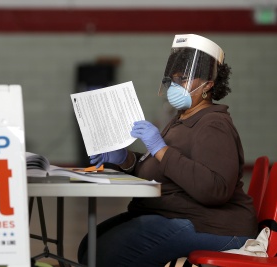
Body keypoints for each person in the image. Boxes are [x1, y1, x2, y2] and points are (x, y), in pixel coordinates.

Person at [77, 34, 257, 267]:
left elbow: (215, 190)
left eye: (183, 79)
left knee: (101, 255)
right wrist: (125, 159)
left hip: (214, 225)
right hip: (178, 215)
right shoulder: (181, 119)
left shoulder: (213, 124)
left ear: (209, 84)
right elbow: (160, 168)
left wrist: (161, 149)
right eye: (172, 80)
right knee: (90, 245)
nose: (175, 86)